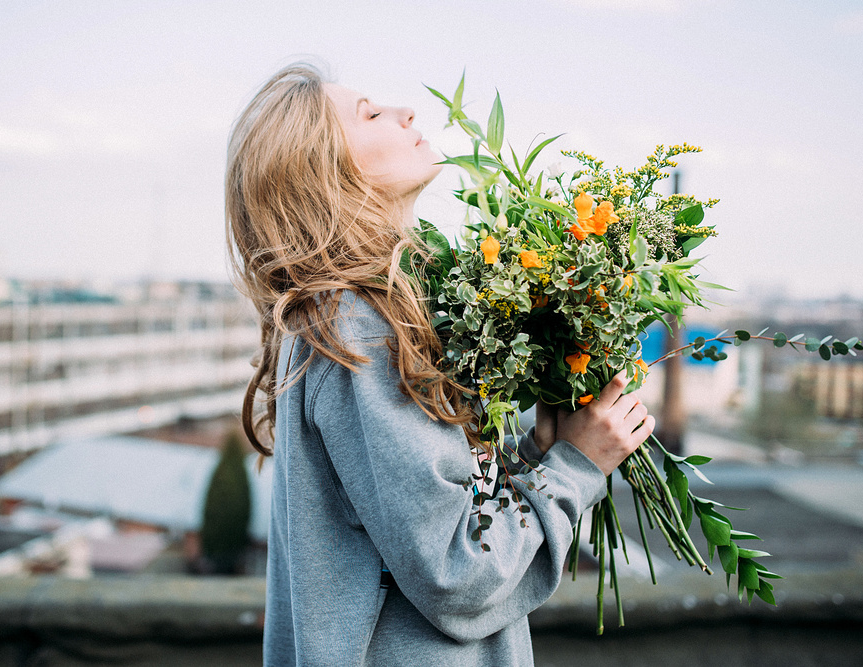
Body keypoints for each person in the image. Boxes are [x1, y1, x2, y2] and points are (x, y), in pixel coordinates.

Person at [226, 63, 655, 666]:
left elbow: (427, 522)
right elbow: (459, 577)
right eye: (370, 113)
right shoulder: (359, 326)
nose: (406, 111)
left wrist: (534, 458)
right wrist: (578, 467)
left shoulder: (358, 314)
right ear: (324, 173)